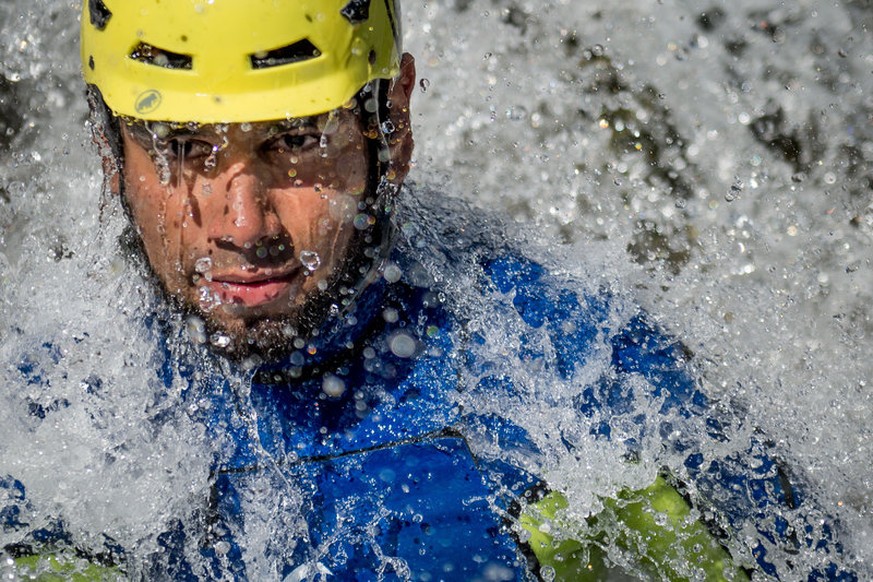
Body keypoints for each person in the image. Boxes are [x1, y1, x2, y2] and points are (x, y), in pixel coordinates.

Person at [0, 0, 859, 579]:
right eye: (183, 149)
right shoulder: (43, 421)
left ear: (393, 124)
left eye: (296, 141)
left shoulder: (570, 368)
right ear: (108, 148)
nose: (242, 224)